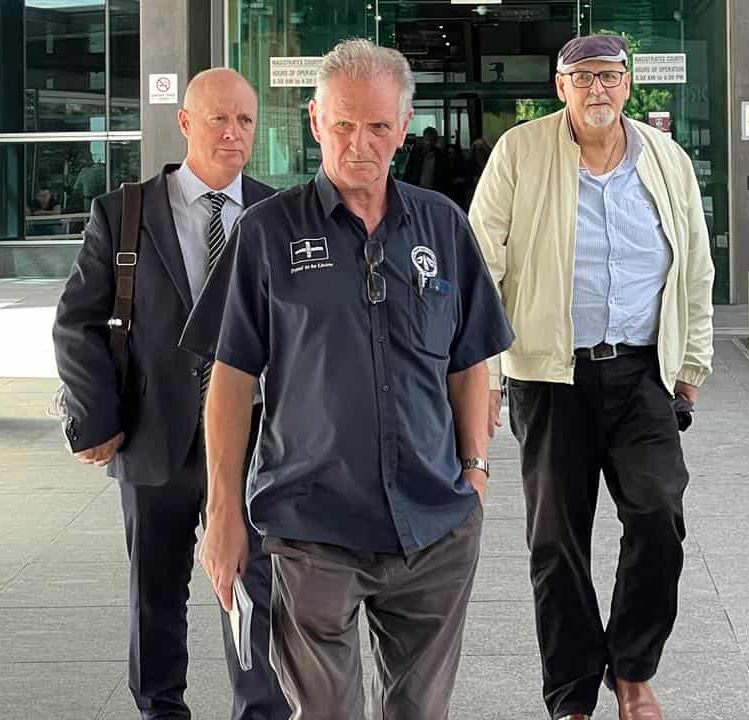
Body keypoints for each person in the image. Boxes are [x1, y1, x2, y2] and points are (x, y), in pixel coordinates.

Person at [195, 39, 513, 720]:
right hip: (312, 525)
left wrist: (476, 471)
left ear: (403, 127)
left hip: (434, 523)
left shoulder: (442, 224)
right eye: (342, 125)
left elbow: (470, 359)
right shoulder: (266, 232)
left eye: (376, 126)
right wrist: (223, 511)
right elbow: (229, 378)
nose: (358, 144)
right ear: (315, 122)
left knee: (419, 713)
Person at [469, 34, 715, 720]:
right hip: (550, 376)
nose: (598, 90)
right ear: (560, 88)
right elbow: (480, 264)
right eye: (584, 79)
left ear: (628, 85)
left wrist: (691, 366)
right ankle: (573, 695)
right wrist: (486, 374)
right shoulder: (521, 153)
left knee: (660, 516)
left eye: (610, 77)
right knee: (556, 541)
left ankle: (633, 669)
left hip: (642, 375)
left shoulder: (666, 161)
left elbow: (694, 268)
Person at [52, 68, 287, 720]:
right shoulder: (124, 213)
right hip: (154, 433)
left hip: (256, 437)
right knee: (155, 591)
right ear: (185, 123)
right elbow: (77, 324)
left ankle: (260, 710)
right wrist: (96, 421)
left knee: (254, 586)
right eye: (219, 119)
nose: (235, 132)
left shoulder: (277, 215)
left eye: (245, 119)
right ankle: (161, 708)